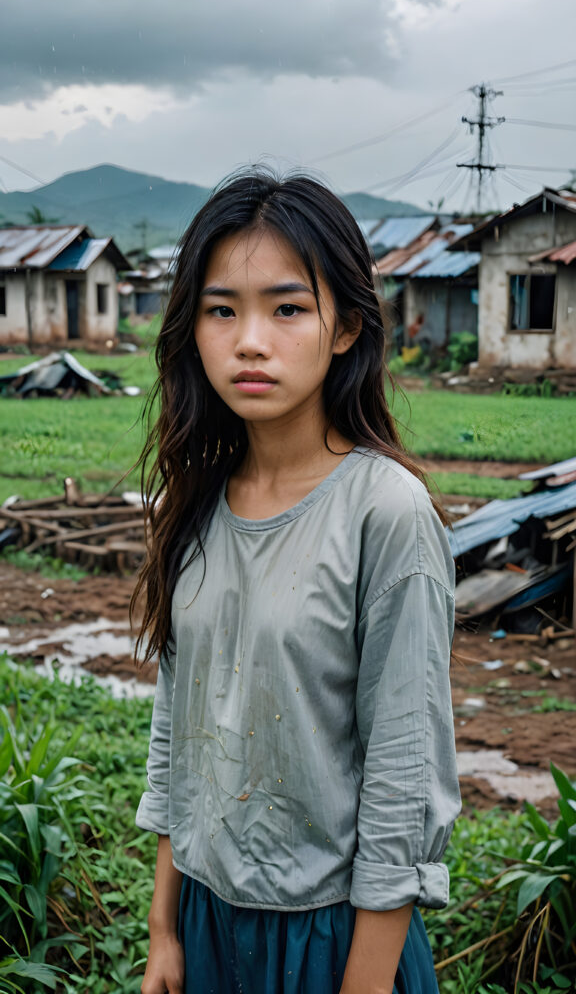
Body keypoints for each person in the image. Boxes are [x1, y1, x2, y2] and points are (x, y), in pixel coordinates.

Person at [133, 169, 461, 994]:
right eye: (221, 309)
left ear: (345, 326)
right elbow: (180, 733)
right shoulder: (197, 505)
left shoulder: (386, 513)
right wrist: (163, 930)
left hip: (335, 937)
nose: (250, 340)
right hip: (206, 924)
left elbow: (402, 780)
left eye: (287, 308)